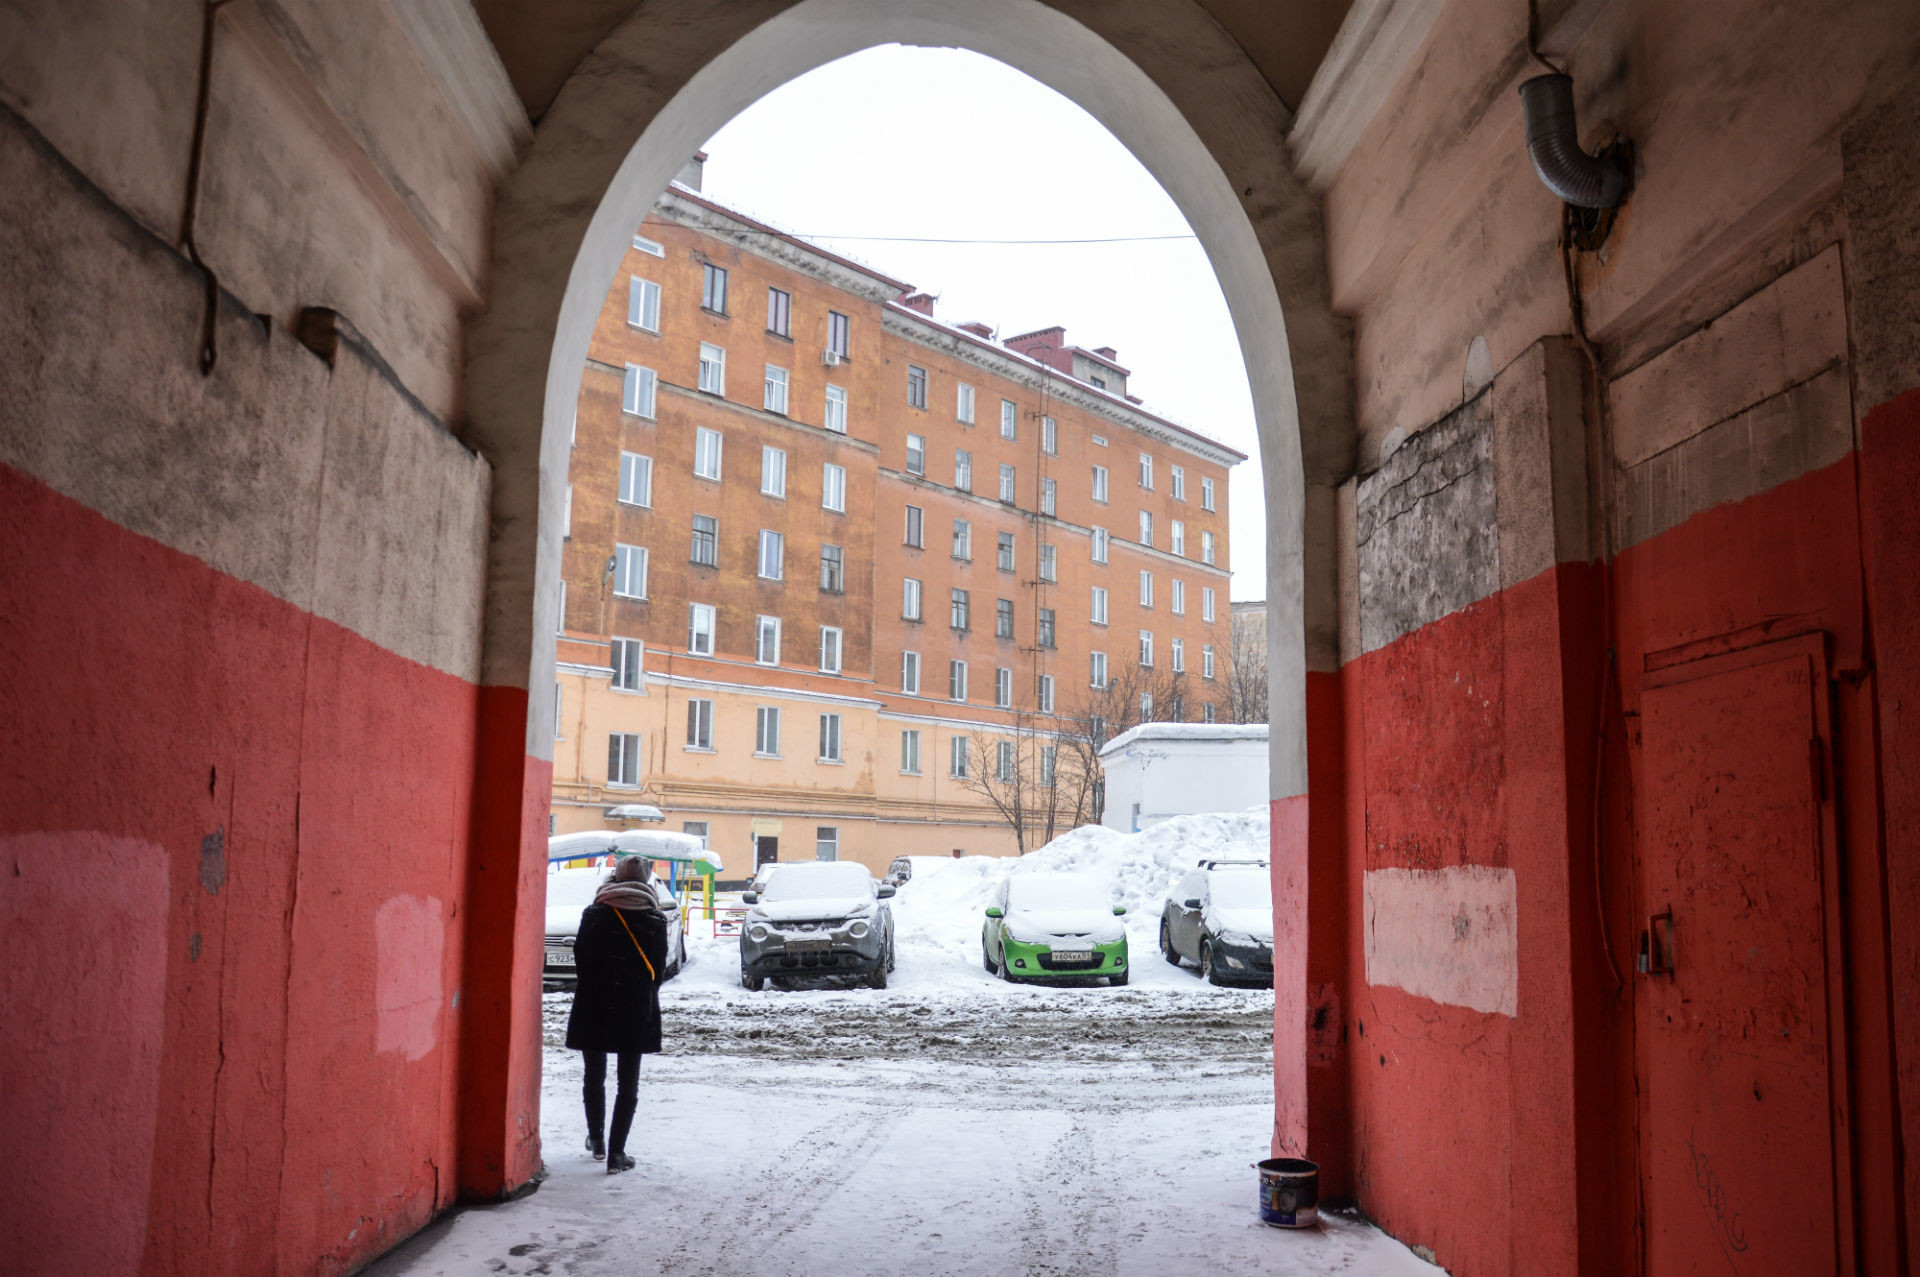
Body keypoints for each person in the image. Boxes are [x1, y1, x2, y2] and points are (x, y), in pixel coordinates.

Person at [565, 855, 668, 1174]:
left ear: (615, 879)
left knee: (593, 1074)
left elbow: (580, 960)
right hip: (635, 1006)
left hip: (593, 1002)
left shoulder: (594, 914)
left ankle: (596, 1142)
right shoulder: (654, 919)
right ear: (645, 882)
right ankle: (616, 1155)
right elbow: (658, 970)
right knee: (628, 1083)